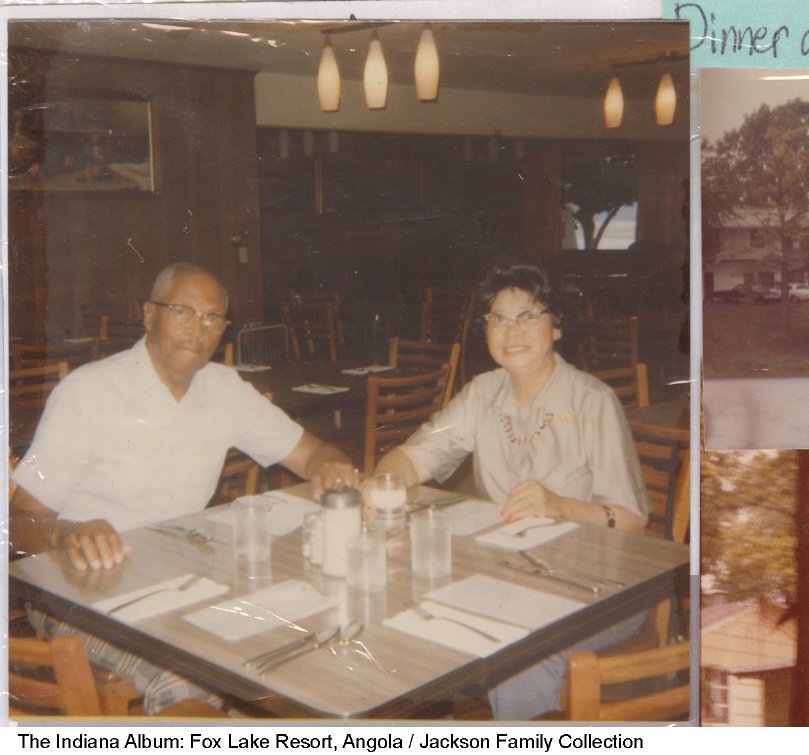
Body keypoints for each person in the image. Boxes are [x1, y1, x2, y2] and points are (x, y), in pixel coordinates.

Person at [10, 262, 357, 713]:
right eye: (183, 312)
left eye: (213, 318)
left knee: (307, 638)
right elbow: (18, 523)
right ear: (149, 315)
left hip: (183, 580)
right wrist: (65, 533)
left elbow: (313, 453)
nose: (199, 330)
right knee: (191, 677)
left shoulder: (223, 388)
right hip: (81, 594)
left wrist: (331, 465)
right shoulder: (88, 392)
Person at [374, 262, 650, 719]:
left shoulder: (591, 401)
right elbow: (409, 458)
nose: (511, 330)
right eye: (498, 318)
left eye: (528, 315)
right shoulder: (482, 395)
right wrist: (381, 489)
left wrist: (559, 505)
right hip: (510, 578)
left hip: (601, 589)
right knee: (411, 610)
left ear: (556, 326)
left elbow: (633, 521)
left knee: (519, 656)